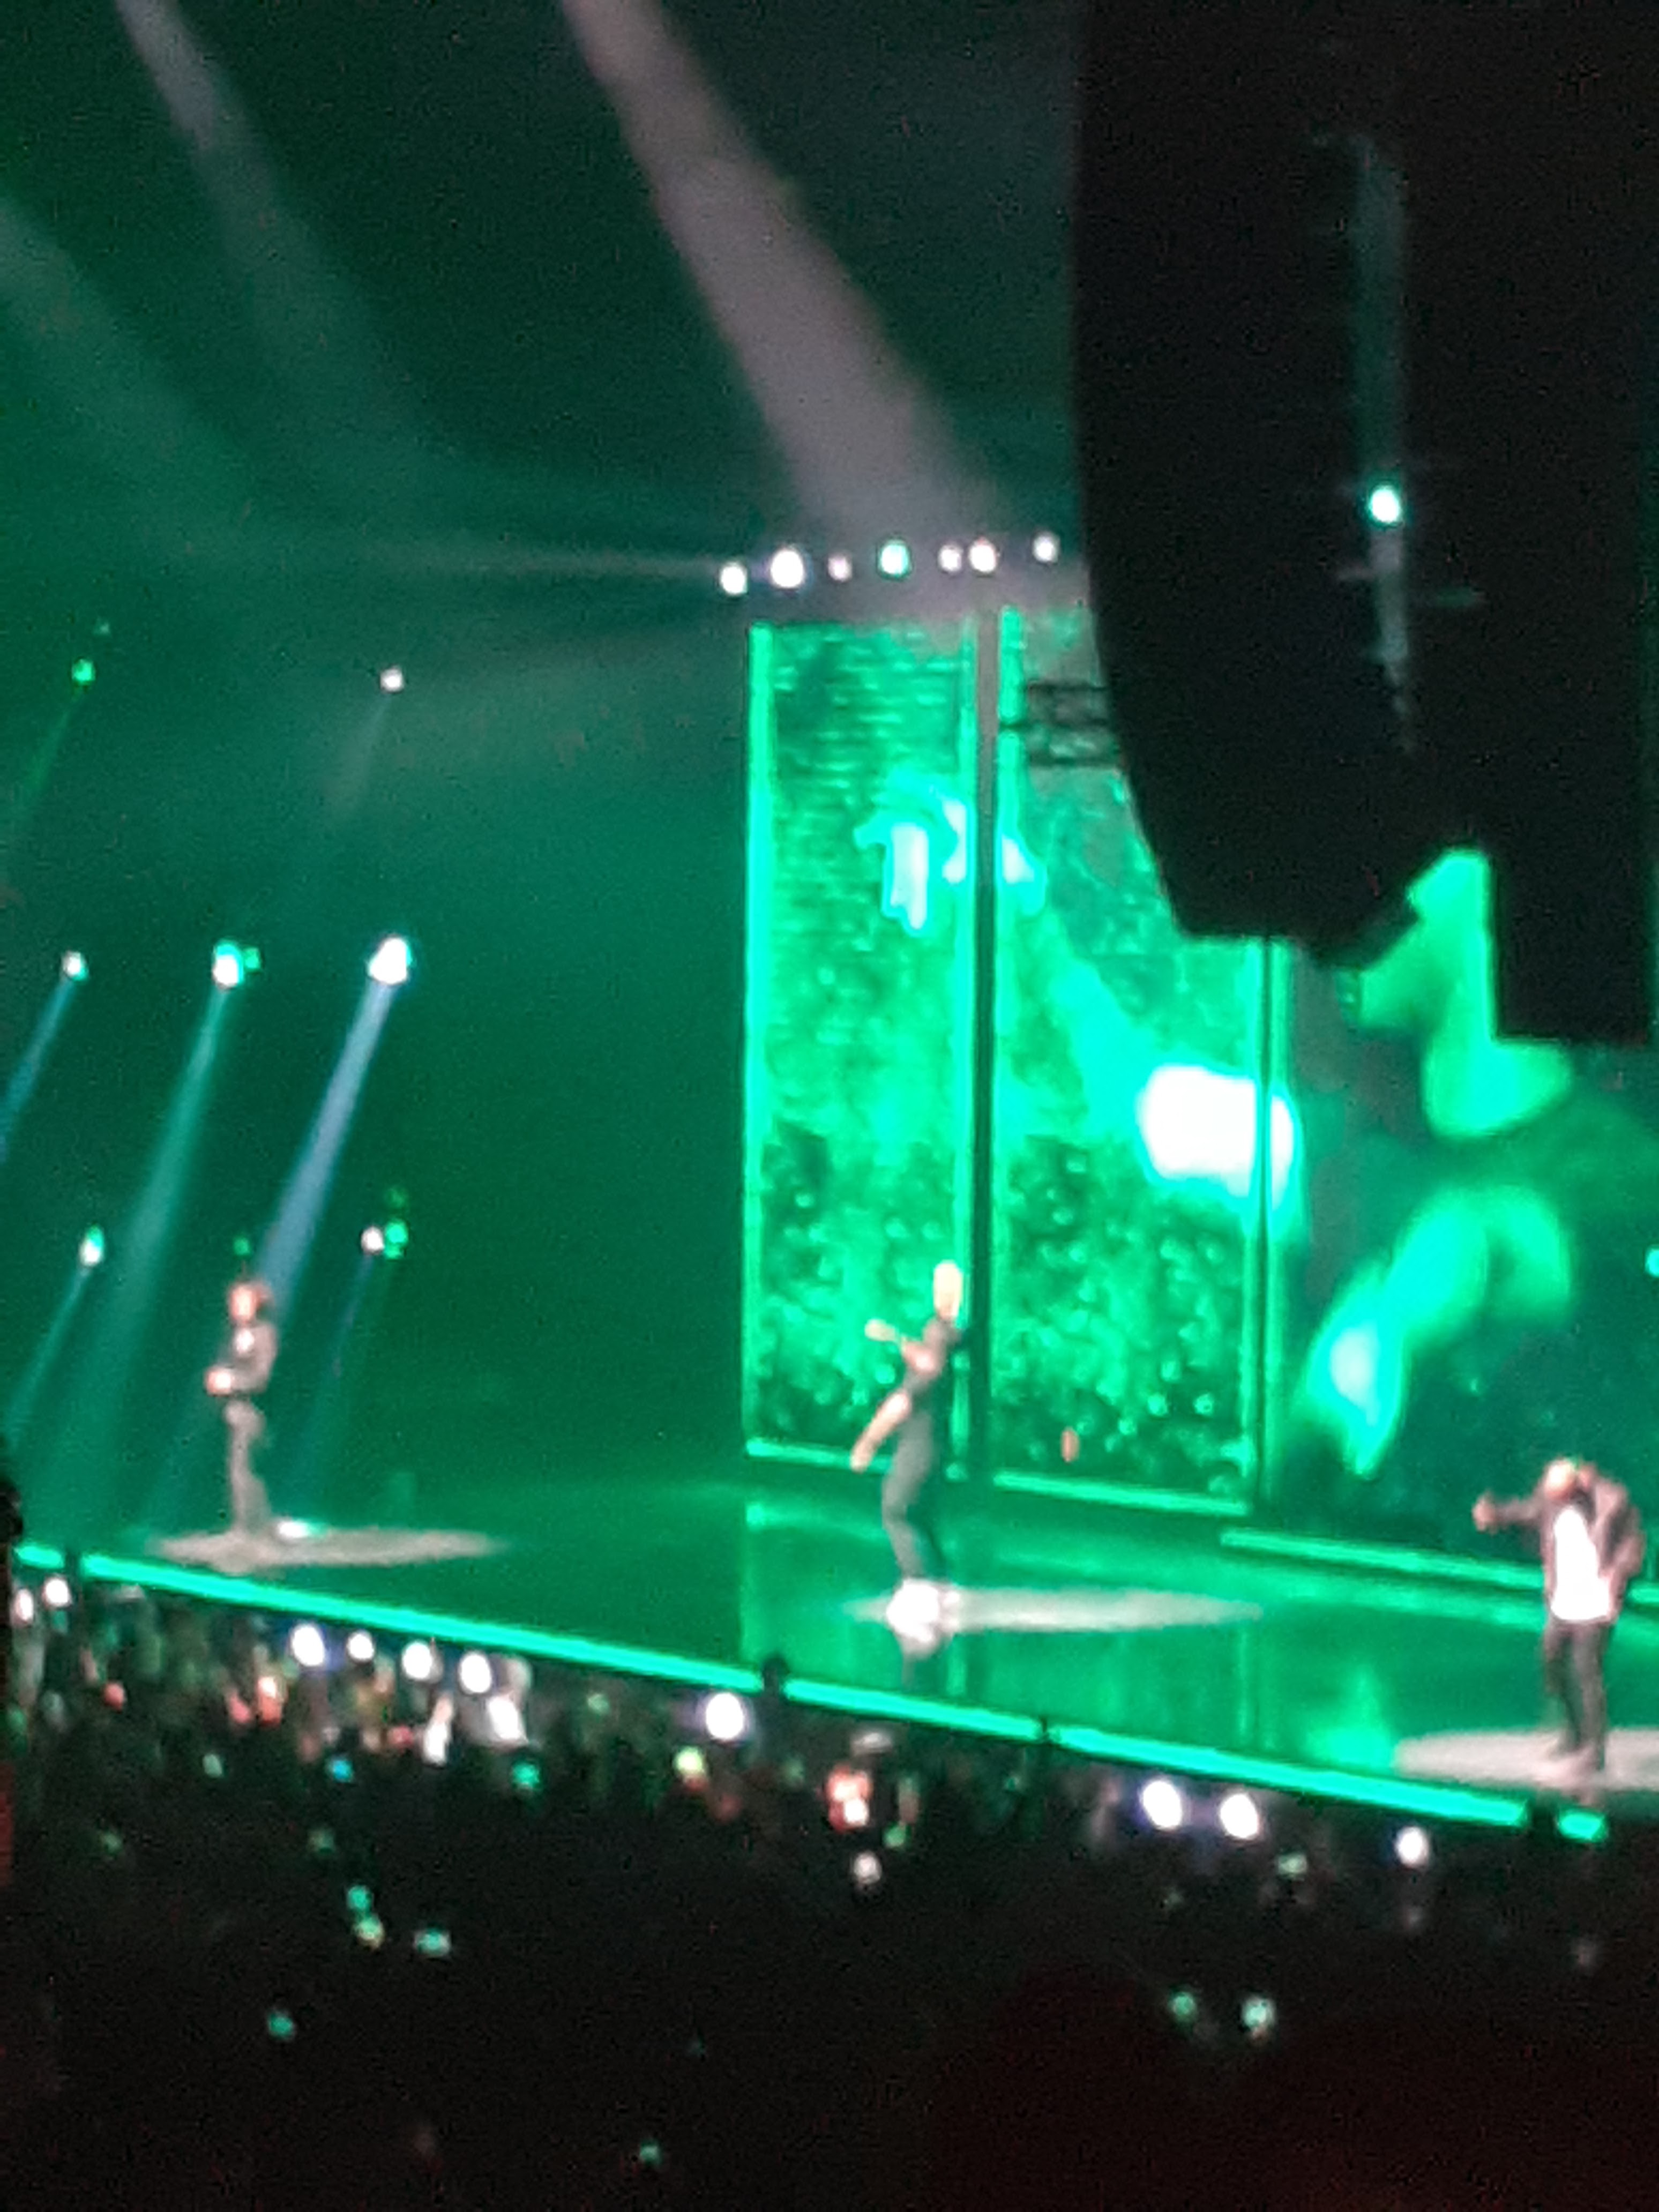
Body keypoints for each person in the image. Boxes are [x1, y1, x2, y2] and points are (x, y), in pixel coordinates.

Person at [1473, 1456, 1646, 1776]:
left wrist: (1617, 1580)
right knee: (1553, 1665)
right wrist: (1495, 1514)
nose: (1552, 1498)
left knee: (1586, 1673)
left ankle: (1594, 1750)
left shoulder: (1611, 1502)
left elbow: (1632, 1546)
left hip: (1595, 1604)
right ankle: (1573, 1734)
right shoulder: (1552, 1503)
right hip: (1564, 1603)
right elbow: (1527, 1512)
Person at [852, 1262, 965, 1623]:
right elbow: (928, 1356)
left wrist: (869, 1440)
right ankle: (942, 1587)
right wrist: (899, 1341)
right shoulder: (945, 1344)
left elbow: (903, 1401)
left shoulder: (936, 1348)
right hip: (936, 1449)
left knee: (898, 1509)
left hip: (919, 1449)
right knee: (922, 1516)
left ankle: (921, 1589)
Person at [205, 1279, 279, 1537]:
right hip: (235, 1412)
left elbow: (262, 1377)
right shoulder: (234, 1333)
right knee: (240, 1470)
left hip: (253, 1414)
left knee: (244, 1471)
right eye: (234, 1302)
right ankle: (253, 1526)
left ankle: (249, 1528)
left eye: (243, 1302)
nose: (236, 1307)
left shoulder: (264, 1334)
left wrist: (231, 1382)